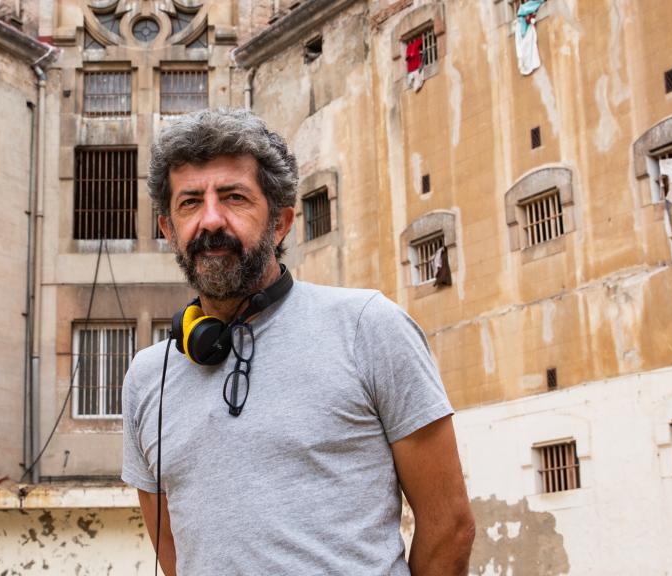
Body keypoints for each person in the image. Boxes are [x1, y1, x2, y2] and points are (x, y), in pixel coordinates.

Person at [121, 108, 475, 575]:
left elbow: (449, 525)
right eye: (190, 203)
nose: (210, 221)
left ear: (281, 222)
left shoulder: (369, 327)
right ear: (168, 231)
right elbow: (175, 555)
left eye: (234, 197)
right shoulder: (148, 378)